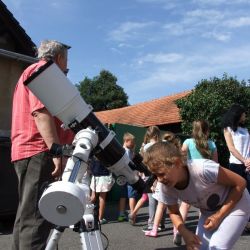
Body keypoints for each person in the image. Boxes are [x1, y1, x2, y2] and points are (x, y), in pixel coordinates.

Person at [11, 40, 74, 250]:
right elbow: (41, 113)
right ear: (59, 57)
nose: (67, 67)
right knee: (36, 219)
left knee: (27, 216)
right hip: (38, 150)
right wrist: (57, 151)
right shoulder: (43, 70)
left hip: (28, 150)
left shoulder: (31, 71)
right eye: (67, 60)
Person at [144, 141, 250, 250]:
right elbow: (174, 213)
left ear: (177, 163)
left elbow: (240, 183)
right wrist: (185, 234)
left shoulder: (202, 169)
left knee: (218, 247)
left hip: (237, 203)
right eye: (155, 175)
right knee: (199, 247)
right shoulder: (165, 187)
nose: (159, 180)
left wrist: (220, 215)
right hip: (209, 212)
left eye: (161, 173)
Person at [173, 120, 218, 245]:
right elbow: (215, 165)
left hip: (191, 177)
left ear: (194, 130)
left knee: (185, 205)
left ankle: (178, 231)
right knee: (203, 208)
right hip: (206, 178)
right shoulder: (212, 144)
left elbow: (181, 159)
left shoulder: (187, 142)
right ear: (207, 131)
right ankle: (201, 235)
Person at [222, 104, 250, 231]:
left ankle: (247, 222)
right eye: (244, 113)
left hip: (248, 164)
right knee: (237, 194)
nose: (245, 116)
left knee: (249, 193)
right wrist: (244, 160)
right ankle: (234, 222)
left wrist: (249, 161)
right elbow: (231, 148)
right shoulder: (228, 129)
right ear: (237, 114)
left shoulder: (245, 129)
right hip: (236, 165)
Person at [118, 132, 140, 223]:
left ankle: (121, 215)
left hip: (123, 176)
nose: (134, 143)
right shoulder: (127, 151)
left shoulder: (124, 150)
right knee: (131, 196)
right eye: (132, 142)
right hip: (130, 176)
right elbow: (130, 163)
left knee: (123, 196)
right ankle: (132, 215)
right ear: (126, 141)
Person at [90, 158, 115, 224]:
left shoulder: (93, 152)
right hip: (104, 175)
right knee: (102, 198)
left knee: (93, 197)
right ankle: (100, 219)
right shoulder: (106, 152)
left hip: (95, 175)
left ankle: (87, 215)